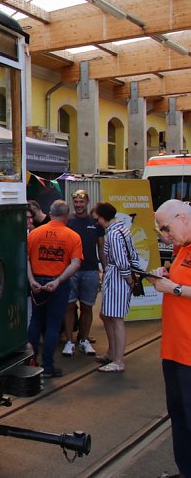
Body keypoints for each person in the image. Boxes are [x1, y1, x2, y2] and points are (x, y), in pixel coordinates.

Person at [150, 199, 191, 477]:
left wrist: (174, 288)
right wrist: (165, 275)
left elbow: (180, 288)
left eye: (166, 228)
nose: (165, 236)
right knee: (179, 416)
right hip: (174, 350)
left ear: (183, 218)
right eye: (161, 231)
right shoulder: (182, 247)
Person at [26, 199, 82, 378]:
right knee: (53, 324)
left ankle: (29, 361)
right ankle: (47, 366)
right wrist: (58, 281)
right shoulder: (73, 236)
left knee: (36, 320)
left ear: (50, 214)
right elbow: (75, 263)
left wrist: (31, 280)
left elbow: (26, 259)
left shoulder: (34, 234)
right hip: (58, 283)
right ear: (67, 216)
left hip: (37, 281)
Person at [91, 201, 137, 373]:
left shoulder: (113, 234)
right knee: (106, 315)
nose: (97, 222)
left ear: (103, 217)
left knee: (116, 319)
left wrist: (129, 279)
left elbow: (121, 261)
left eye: (97, 219)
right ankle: (113, 354)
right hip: (118, 277)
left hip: (118, 278)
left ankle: (118, 360)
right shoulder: (122, 229)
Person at [62, 190, 105, 357]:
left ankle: (84, 340)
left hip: (90, 270)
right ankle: (69, 341)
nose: (78, 205)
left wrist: (105, 269)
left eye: (81, 202)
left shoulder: (95, 223)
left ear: (87, 201)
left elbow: (101, 247)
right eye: (76, 202)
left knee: (87, 307)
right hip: (70, 271)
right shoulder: (67, 221)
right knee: (69, 306)